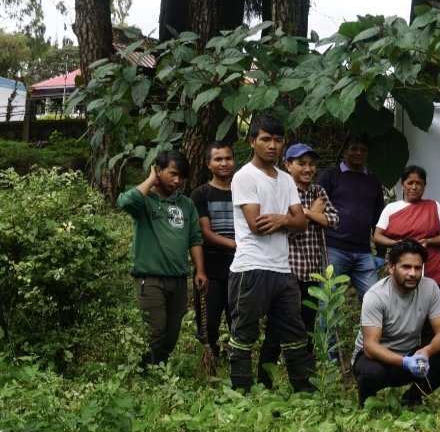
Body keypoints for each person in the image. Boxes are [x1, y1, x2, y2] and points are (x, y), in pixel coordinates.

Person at [228, 115, 316, 393]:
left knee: (294, 334)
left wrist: (283, 220)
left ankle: (305, 392)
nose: (272, 146)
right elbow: (258, 225)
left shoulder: (286, 179)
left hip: (282, 269)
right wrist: (286, 220)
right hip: (250, 267)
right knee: (244, 333)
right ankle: (240, 392)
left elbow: (301, 223)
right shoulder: (244, 176)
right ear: (252, 141)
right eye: (266, 139)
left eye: (278, 140)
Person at [117, 150, 207, 369]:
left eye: (181, 177)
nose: (177, 181)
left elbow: (195, 238)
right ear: (158, 170)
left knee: (170, 335)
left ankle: (157, 371)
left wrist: (200, 270)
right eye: (173, 174)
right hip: (150, 278)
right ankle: (148, 374)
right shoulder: (145, 202)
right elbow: (125, 202)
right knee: (155, 331)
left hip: (177, 278)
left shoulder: (186, 205)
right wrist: (150, 180)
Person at [352, 238, 440, 407]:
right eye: (406, 267)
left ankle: (412, 397)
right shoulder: (375, 296)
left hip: (410, 354)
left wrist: (426, 351)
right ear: (391, 267)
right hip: (375, 359)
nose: (413, 273)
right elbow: (370, 346)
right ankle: (367, 404)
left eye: (418, 268)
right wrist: (404, 362)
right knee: (371, 373)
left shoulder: (430, 288)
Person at [270, 142, 339, 377]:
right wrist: (312, 214)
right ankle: (270, 371)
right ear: (287, 165)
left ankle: (304, 372)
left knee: (307, 324)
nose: (308, 168)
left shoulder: (318, 192)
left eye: (311, 164)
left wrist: (307, 212)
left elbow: (333, 220)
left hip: (311, 270)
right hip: (286, 270)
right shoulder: (281, 191)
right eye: (301, 163)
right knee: (282, 322)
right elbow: (287, 227)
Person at [318, 135, 385, 358]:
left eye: (362, 150)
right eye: (353, 148)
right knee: (329, 304)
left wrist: (381, 253)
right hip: (333, 249)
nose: (358, 153)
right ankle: (330, 358)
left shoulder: (374, 182)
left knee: (376, 301)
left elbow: (379, 218)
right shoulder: (330, 176)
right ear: (345, 151)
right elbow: (316, 208)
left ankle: (368, 352)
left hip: (364, 253)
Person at [373, 165, 440, 300]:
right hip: (401, 266)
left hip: (432, 265)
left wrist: (429, 241)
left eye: (419, 183)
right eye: (410, 183)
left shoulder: (434, 206)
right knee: (402, 312)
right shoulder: (391, 208)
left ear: (424, 186)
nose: (414, 187)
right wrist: (396, 244)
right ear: (402, 185)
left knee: (434, 312)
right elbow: (377, 237)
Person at [190, 142, 236, 360]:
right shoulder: (200, 194)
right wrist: (235, 244)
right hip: (210, 265)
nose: (224, 163)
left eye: (228, 158)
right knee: (209, 320)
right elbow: (205, 233)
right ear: (208, 164)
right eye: (218, 159)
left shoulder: (243, 191)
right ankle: (210, 363)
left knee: (238, 317)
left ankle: (236, 359)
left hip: (240, 266)